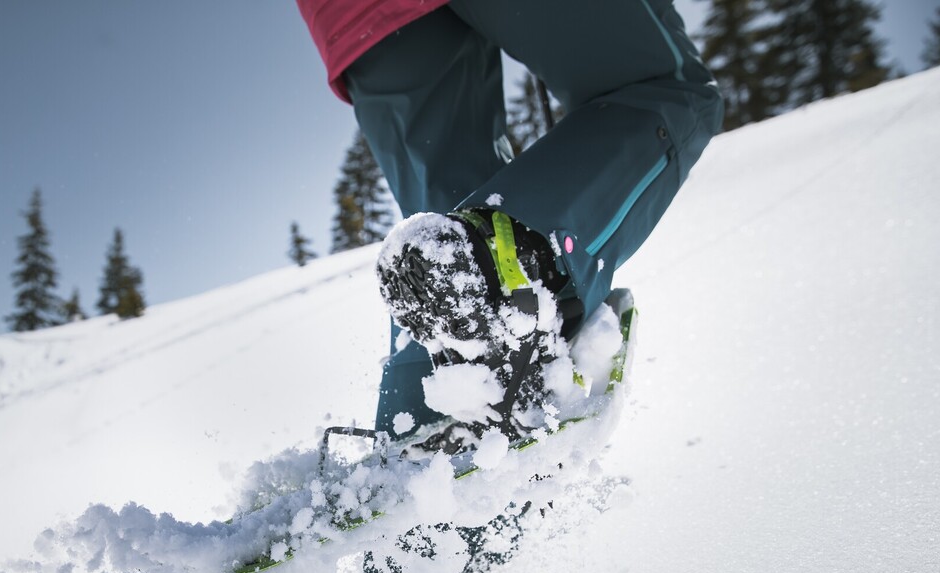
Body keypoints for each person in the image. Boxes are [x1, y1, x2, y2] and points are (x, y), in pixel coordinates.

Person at [297, 0, 723, 452]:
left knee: (449, 223)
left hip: (355, 15)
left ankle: (416, 434)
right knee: (667, 90)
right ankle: (518, 278)